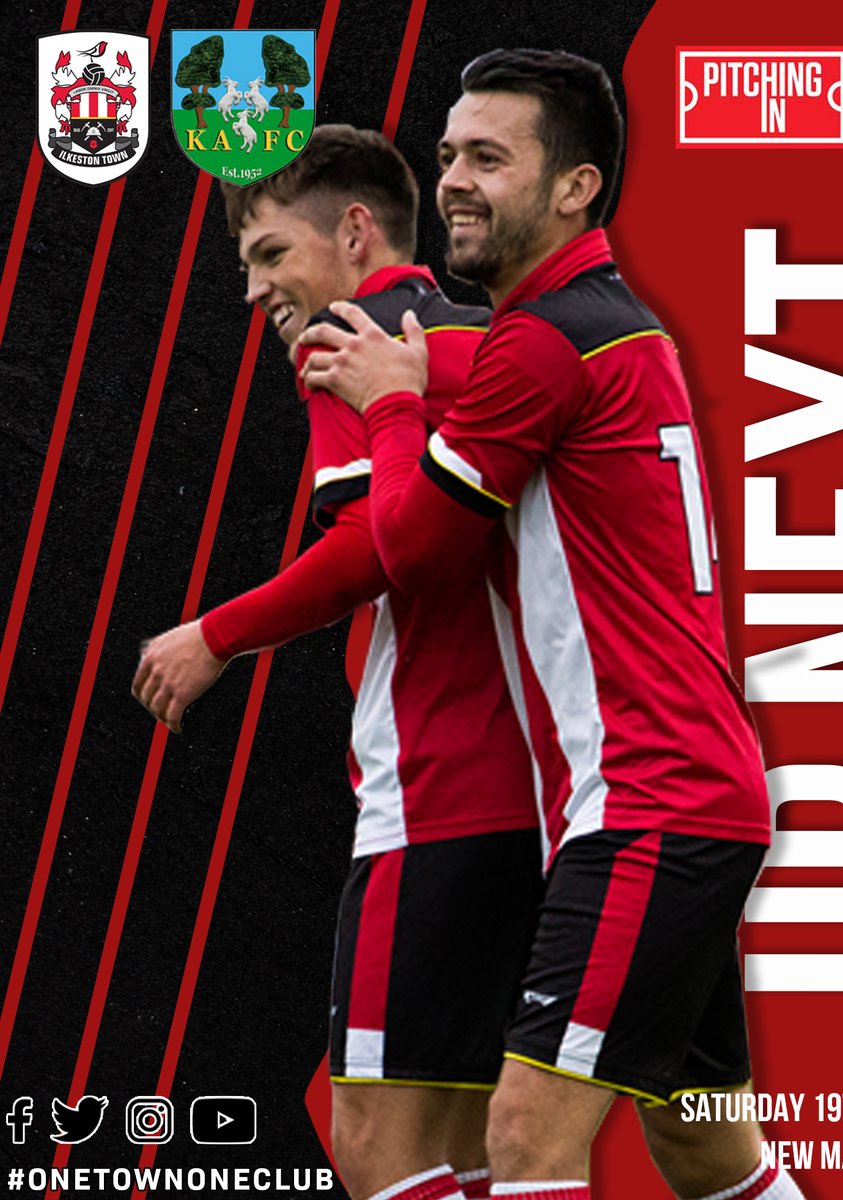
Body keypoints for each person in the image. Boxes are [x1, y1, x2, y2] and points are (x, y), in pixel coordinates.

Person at [299, 51, 805, 1200]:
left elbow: (411, 550)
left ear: (576, 188)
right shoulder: (613, 329)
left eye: (489, 158)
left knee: (527, 1139)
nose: (455, 181)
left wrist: (391, 404)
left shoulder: (544, 342)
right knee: (704, 1147)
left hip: (647, 804)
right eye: (447, 156)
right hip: (691, 795)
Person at [132, 125, 543, 1200]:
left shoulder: (350, 342)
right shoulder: (494, 341)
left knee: (370, 1144)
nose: (254, 290)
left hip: (438, 787)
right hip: (543, 793)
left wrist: (212, 636)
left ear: (357, 233)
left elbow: (368, 544)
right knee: (469, 1143)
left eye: (271, 253)